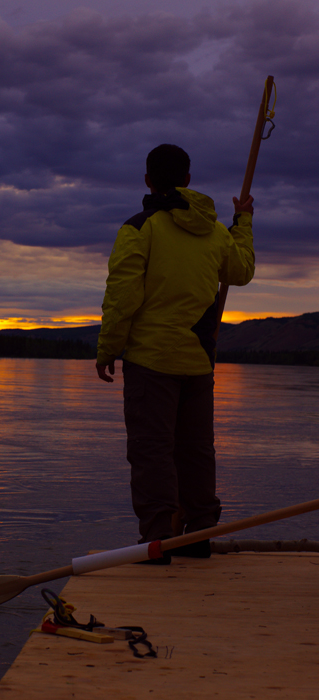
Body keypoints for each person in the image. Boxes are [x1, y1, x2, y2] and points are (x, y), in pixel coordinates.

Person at [96, 144, 255, 563]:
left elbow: (122, 298)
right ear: (187, 180)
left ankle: (158, 540)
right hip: (199, 364)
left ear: (148, 181)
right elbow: (241, 271)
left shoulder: (139, 228)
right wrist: (243, 222)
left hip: (151, 362)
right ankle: (199, 534)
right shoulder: (217, 232)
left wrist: (108, 348)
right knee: (196, 451)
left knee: (151, 452)